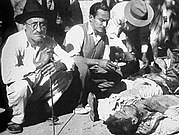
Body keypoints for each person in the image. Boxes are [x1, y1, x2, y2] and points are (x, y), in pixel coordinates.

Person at [1, 0, 75, 133]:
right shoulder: (14, 41)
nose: (39, 29)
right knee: (21, 86)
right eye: (34, 25)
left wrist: (60, 64)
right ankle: (17, 118)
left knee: (67, 74)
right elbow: (7, 76)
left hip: (39, 87)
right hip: (20, 91)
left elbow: (70, 61)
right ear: (25, 26)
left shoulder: (48, 41)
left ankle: (44, 108)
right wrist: (36, 65)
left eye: (43, 25)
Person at [63, 2, 122, 120]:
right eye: (101, 20)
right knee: (83, 69)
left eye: (106, 21)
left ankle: (91, 94)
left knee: (117, 74)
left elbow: (105, 58)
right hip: (72, 72)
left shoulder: (104, 36)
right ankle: (78, 103)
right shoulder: (78, 31)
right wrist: (98, 63)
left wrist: (110, 65)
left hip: (91, 72)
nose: (104, 24)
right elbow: (73, 58)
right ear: (91, 18)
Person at [105, 93, 179, 135]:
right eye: (124, 111)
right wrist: (161, 109)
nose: (124, 107)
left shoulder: (139, 118)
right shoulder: (155, 128)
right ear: (133, 120)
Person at [106, 0, 155, 78]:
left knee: (145, 57)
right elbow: (111, 35)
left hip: (134, 31)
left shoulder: (145, 15)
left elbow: (144, 36)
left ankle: (138, 71)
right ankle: (116, 73)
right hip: (119, 26)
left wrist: (144, 53)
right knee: (114, 50)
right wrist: (125, 51)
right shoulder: (118, 13)